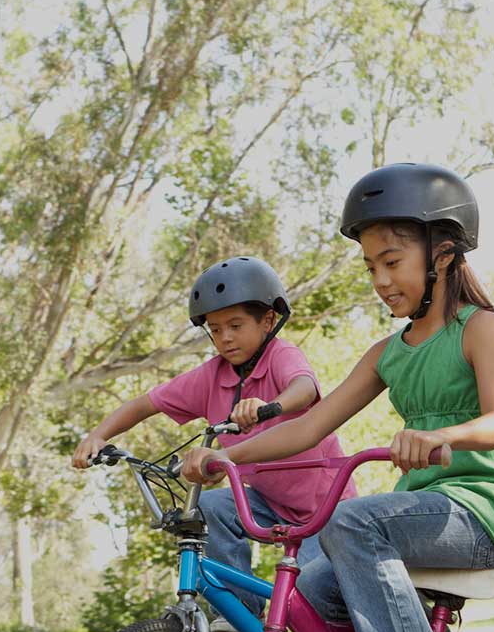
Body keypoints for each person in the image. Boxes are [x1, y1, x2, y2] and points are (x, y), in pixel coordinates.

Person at [181, 164, 494, 632]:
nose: (381, 279)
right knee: (309, 596)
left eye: (392, 262)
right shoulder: (387, 352)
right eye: (371, 267)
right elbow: (310, 425)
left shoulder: (479, 328)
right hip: (419, 513)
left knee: (348, 523)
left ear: (442, 255)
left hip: (480, 511)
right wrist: (228, 455)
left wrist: (439, 436)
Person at [71, 255, 353, 596]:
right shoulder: (212, 375)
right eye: (216, 330)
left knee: (313, 593)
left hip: (326, 508)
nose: (225, 338)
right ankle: (239, 609)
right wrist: (98, 435)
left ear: (267, 320)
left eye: (235, 326)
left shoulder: (281, 354)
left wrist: (270, 406)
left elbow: (304, 387)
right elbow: (145, 404)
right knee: (209, 508)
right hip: (269, 501)